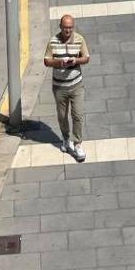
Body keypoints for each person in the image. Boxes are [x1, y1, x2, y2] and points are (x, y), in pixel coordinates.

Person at [45, 13, 91, 162]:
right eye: (65, 28)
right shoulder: (53, 41)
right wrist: (58, 63)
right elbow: (46, 61)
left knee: (77, 115)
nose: (68, 31)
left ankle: (77, 144)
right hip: (59, 87)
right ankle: (66, 138)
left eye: (70, 28)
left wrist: (75, 60)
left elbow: (86, 58)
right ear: (60, 27)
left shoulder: (79, 39)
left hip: (76, 85)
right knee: (62, 116)